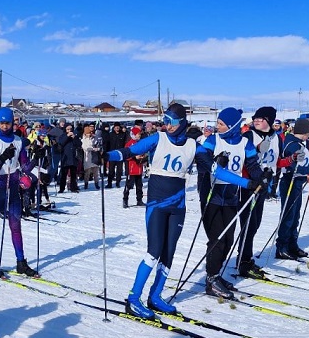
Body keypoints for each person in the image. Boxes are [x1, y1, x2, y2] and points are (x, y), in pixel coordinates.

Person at [106, 103, 198, 319]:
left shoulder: (193, 145)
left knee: (168, 253)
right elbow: (129, 151)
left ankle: (155, 296)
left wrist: (248, 182)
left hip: (178, 208)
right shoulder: (158, 138)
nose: (168, 125)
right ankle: (133, 298)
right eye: (165, 121)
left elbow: (214, 167)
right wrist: (106, 155)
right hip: (157, 205)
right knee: (154, 251)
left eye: (172, 122)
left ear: (182, 122)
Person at [194, 108, 265, 299]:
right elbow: (201, 158)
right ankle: (211, 279)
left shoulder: (245, 143)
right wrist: (214, 161)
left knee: (228, 240)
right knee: (217, 239)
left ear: (232, 126)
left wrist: (261, 178)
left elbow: (252, 165)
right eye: (217, 123)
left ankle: (215, 274)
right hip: (212, 196)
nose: (217, 127)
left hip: (232, 197)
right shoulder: (213, 140)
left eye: (221, 124)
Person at [0, 107, 38, 277]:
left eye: (7, 123)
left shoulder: (18, 141)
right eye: (1, 123)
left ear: (13, 122)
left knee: (16, 226)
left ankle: (21, 262)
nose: (5, 126)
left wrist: (36, 158)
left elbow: (25, 167)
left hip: (13, 187)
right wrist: (3, 156)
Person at [235, 106, 278, 278]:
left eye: (261, 118)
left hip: (263, 185)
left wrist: (291, 160)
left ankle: (245, 258)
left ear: (270, 121)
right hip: (249, 186)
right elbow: (244, 160)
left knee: (255, 224)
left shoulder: (276, 137)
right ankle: (243, 261)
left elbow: (276, 160)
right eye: (255, 118)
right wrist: (258, 148)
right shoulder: (249, 136)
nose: (257, 121)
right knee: (248, 224)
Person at [275, 118, 309, 257]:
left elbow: (303, 163)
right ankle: (282, 247)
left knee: (295, 215)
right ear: (303, 132)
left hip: (297, 182)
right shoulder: (292, 144)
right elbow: (291, 166)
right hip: (290, 182)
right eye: (308, 133)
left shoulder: (299, 143)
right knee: (288, 215)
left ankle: (292, 245)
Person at [122, 126, 147, 208]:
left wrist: (143, 157)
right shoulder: (129, 144)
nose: (139, 135)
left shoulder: (140, 143)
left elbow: (143, 152)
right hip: (131, 168)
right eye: (138, 134)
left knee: (139, 185)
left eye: (140, 134)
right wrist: (134, 157)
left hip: (139, 168)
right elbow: (126, 155)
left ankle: (139, 200)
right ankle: (125, 200)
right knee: (129, 185)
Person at [57, 123, 81, 193]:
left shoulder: (75, 135)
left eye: (70, 129)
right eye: (68, 129)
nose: (69, 130)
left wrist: (74, 138)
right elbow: (61, 143)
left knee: (73, 174)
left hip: (73, 157)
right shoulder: (63, 136)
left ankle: (73, 187)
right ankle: (62, 188)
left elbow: (79, 144)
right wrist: (67, 136)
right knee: (63, 174)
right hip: (65, 158)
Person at [80, 124, 102, 189]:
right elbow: (85, 147)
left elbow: (99, 144)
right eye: (88, 133)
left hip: (95, 157)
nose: (89, 134)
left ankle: (96, 183)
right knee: (87, 172)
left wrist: (98, 148)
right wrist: (92, 149)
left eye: (90, 133)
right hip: (88, 157)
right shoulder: (83, 139)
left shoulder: (95, 138)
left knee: (96, 172)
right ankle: (86, 183)